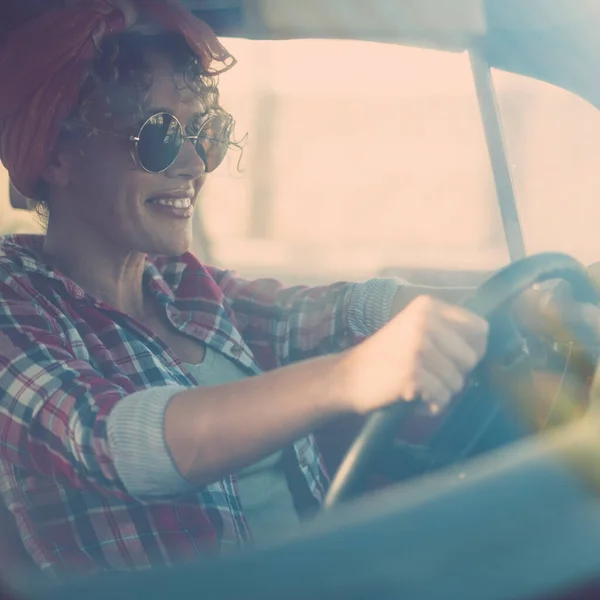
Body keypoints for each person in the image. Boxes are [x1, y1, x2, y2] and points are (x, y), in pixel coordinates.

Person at [0, 0, 595, 580]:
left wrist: (526, 304)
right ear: (56, 154)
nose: (193, 163)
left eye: (206, 132)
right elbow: (116, 442)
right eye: (157, 138)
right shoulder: (15, 310)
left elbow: (332, 311)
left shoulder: (180, 286)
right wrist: (349, 378)